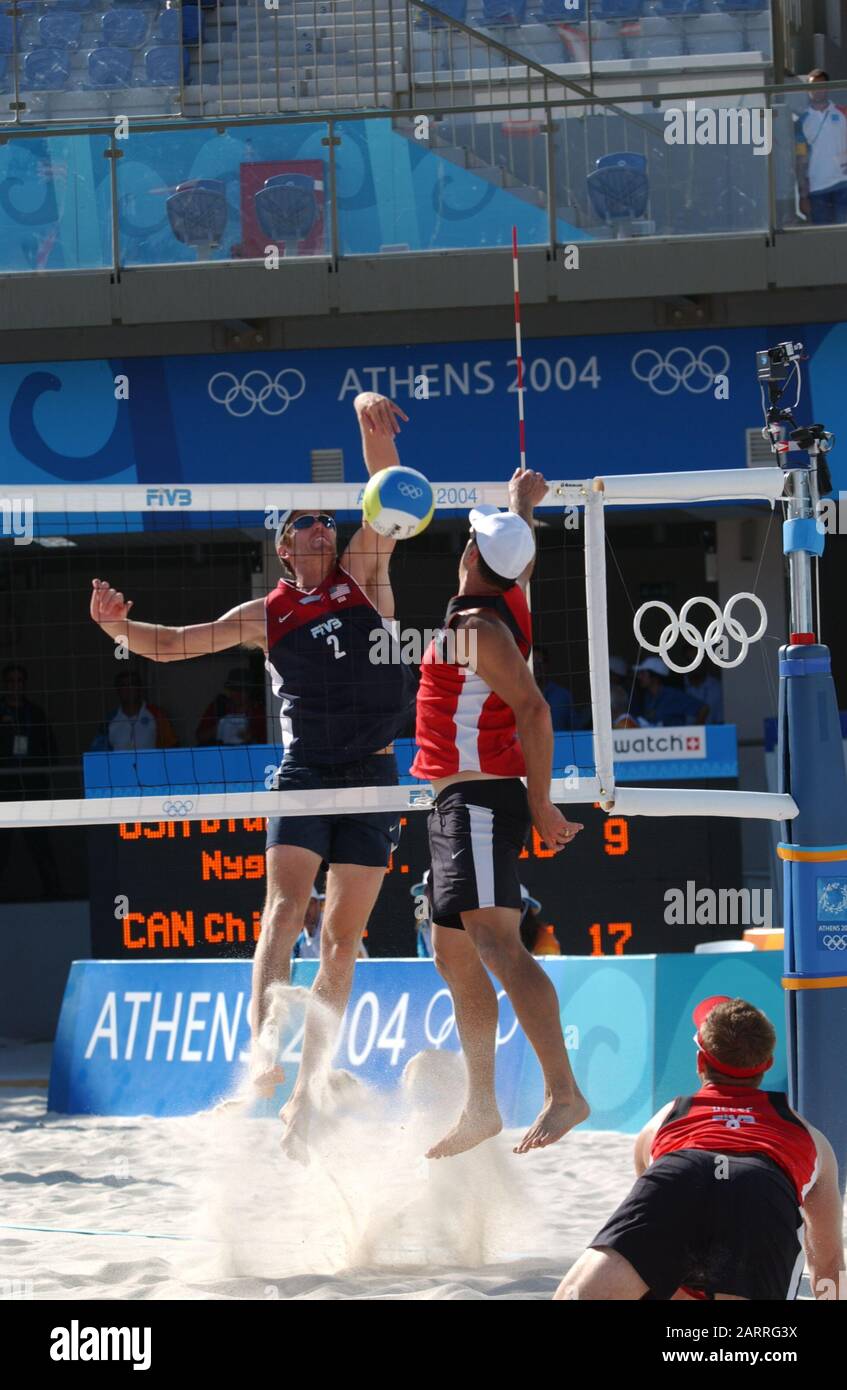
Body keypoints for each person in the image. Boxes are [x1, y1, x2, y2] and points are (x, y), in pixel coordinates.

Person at [90, 391, 414, 1154]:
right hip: (305, 770)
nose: (323, 528)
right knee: (282, 907)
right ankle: (263, 1055)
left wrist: (369, 422)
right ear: (284, 546)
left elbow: (390, 495)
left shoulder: (363, 571)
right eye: (307, 524)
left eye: (326, 521)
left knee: (341, 939)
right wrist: (117, 628)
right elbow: (172, 644)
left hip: (371, 773)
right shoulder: (265, 613)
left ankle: (309, 1087)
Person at [411, 468, 589, 1159]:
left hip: (482, 797)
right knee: (451, 954)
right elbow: (520, 563)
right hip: (456, 802)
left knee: (495, 947)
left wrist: (541, 804)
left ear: (466, 559)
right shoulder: (508, 605)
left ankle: (563, 1091)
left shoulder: (479, 625)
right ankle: (481, 1104)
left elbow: (535, 709)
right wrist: (520, 507)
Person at [555, 996, 844, 1301]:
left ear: (700, 1062)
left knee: (574, 1296)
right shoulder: (810, 1137)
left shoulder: (663, 1120)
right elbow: (828, 1262)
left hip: (679, 1172)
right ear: (767, 1065)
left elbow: (659, 1242)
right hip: (762, 1187)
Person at [0, 664, 62, 898]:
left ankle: (54, 895)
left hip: (33, 789)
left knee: (39, 844)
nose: (15, 686)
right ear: (5, 685)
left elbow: (50, 750)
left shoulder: (35, 714)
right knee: (2, 846)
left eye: (19, 681)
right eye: (11, 681)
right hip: (4, 790)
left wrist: (41, 774)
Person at [795, 70, 847, 226]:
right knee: (823, 239)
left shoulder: (843, 113)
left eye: (821, 85)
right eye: (813, 86)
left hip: (844, 184)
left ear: (828, 87)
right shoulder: (801, 122)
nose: (817, 90)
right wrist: (803, 195)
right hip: (817, 189)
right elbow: (801, 159)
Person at [91, 668, 178, 751]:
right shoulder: (109, 719)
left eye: (133, 684)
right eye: (124, 685)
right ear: (118, 690)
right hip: (119, 766)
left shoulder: (156, 714)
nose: (129, 689)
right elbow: (98, 751)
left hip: (151, 765)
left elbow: (170, 746)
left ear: (140, 688)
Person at [195, 668, 265, 746]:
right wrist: (219, 728)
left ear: (250, 691)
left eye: (242, 689)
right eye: (234, 689)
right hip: (220, 754)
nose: (237, 694)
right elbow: (200, 737)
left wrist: (251, 737)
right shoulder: (219, 707)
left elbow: (268, 742)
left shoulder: (259, 712)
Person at [633, 656, 708, 726]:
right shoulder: (647, 696)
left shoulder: (672, 695)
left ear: (654, 676)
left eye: (643, 674)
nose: (639, 677)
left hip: (676, 738)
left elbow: (703, 709)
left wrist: (696, 732)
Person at [532, 646, 575, 731]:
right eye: (533, 662)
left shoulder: (563, 696)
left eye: (541, 661)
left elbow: (576, 729)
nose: (537, 666)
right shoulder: (518, 696)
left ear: (547, 664)